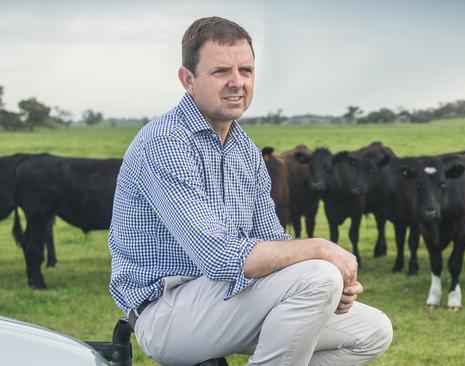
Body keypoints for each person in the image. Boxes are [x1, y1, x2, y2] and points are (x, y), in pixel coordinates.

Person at [108, 16, 392, 366]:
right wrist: (320, 250)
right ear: (188, 79)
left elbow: (270, 238)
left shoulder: (244, 149)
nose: (237, 82)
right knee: (318, 276)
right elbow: (218, 256)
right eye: (221, 71)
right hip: (166, 311)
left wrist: (335, 285)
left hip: (228, 300)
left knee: (372, 331)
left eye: (246, 70)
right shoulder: (166, 142)